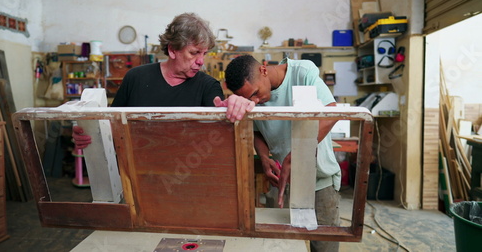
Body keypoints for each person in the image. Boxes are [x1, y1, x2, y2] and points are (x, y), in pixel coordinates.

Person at [73, 13, 254, 148]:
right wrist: (90, 134)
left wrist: (232, 106)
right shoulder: (135, 78)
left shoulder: (208, 86)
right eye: (194, 53)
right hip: (135, 176)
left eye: (204, 54)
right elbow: (110, 125)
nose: (201, 61)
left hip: (186, 177)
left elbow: (217, 135)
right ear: (173, 50)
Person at [224, 54, 341, 252]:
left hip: (321, 183)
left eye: (255, 93)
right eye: (248, 99)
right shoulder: (253, 100)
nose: (255, 101)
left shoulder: (302, 73)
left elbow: (332, 113)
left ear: (263, 70)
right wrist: (264, 157)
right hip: (283, 184)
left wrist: (297, 155)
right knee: (282, 246)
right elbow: (257, 131)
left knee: (324, 246)